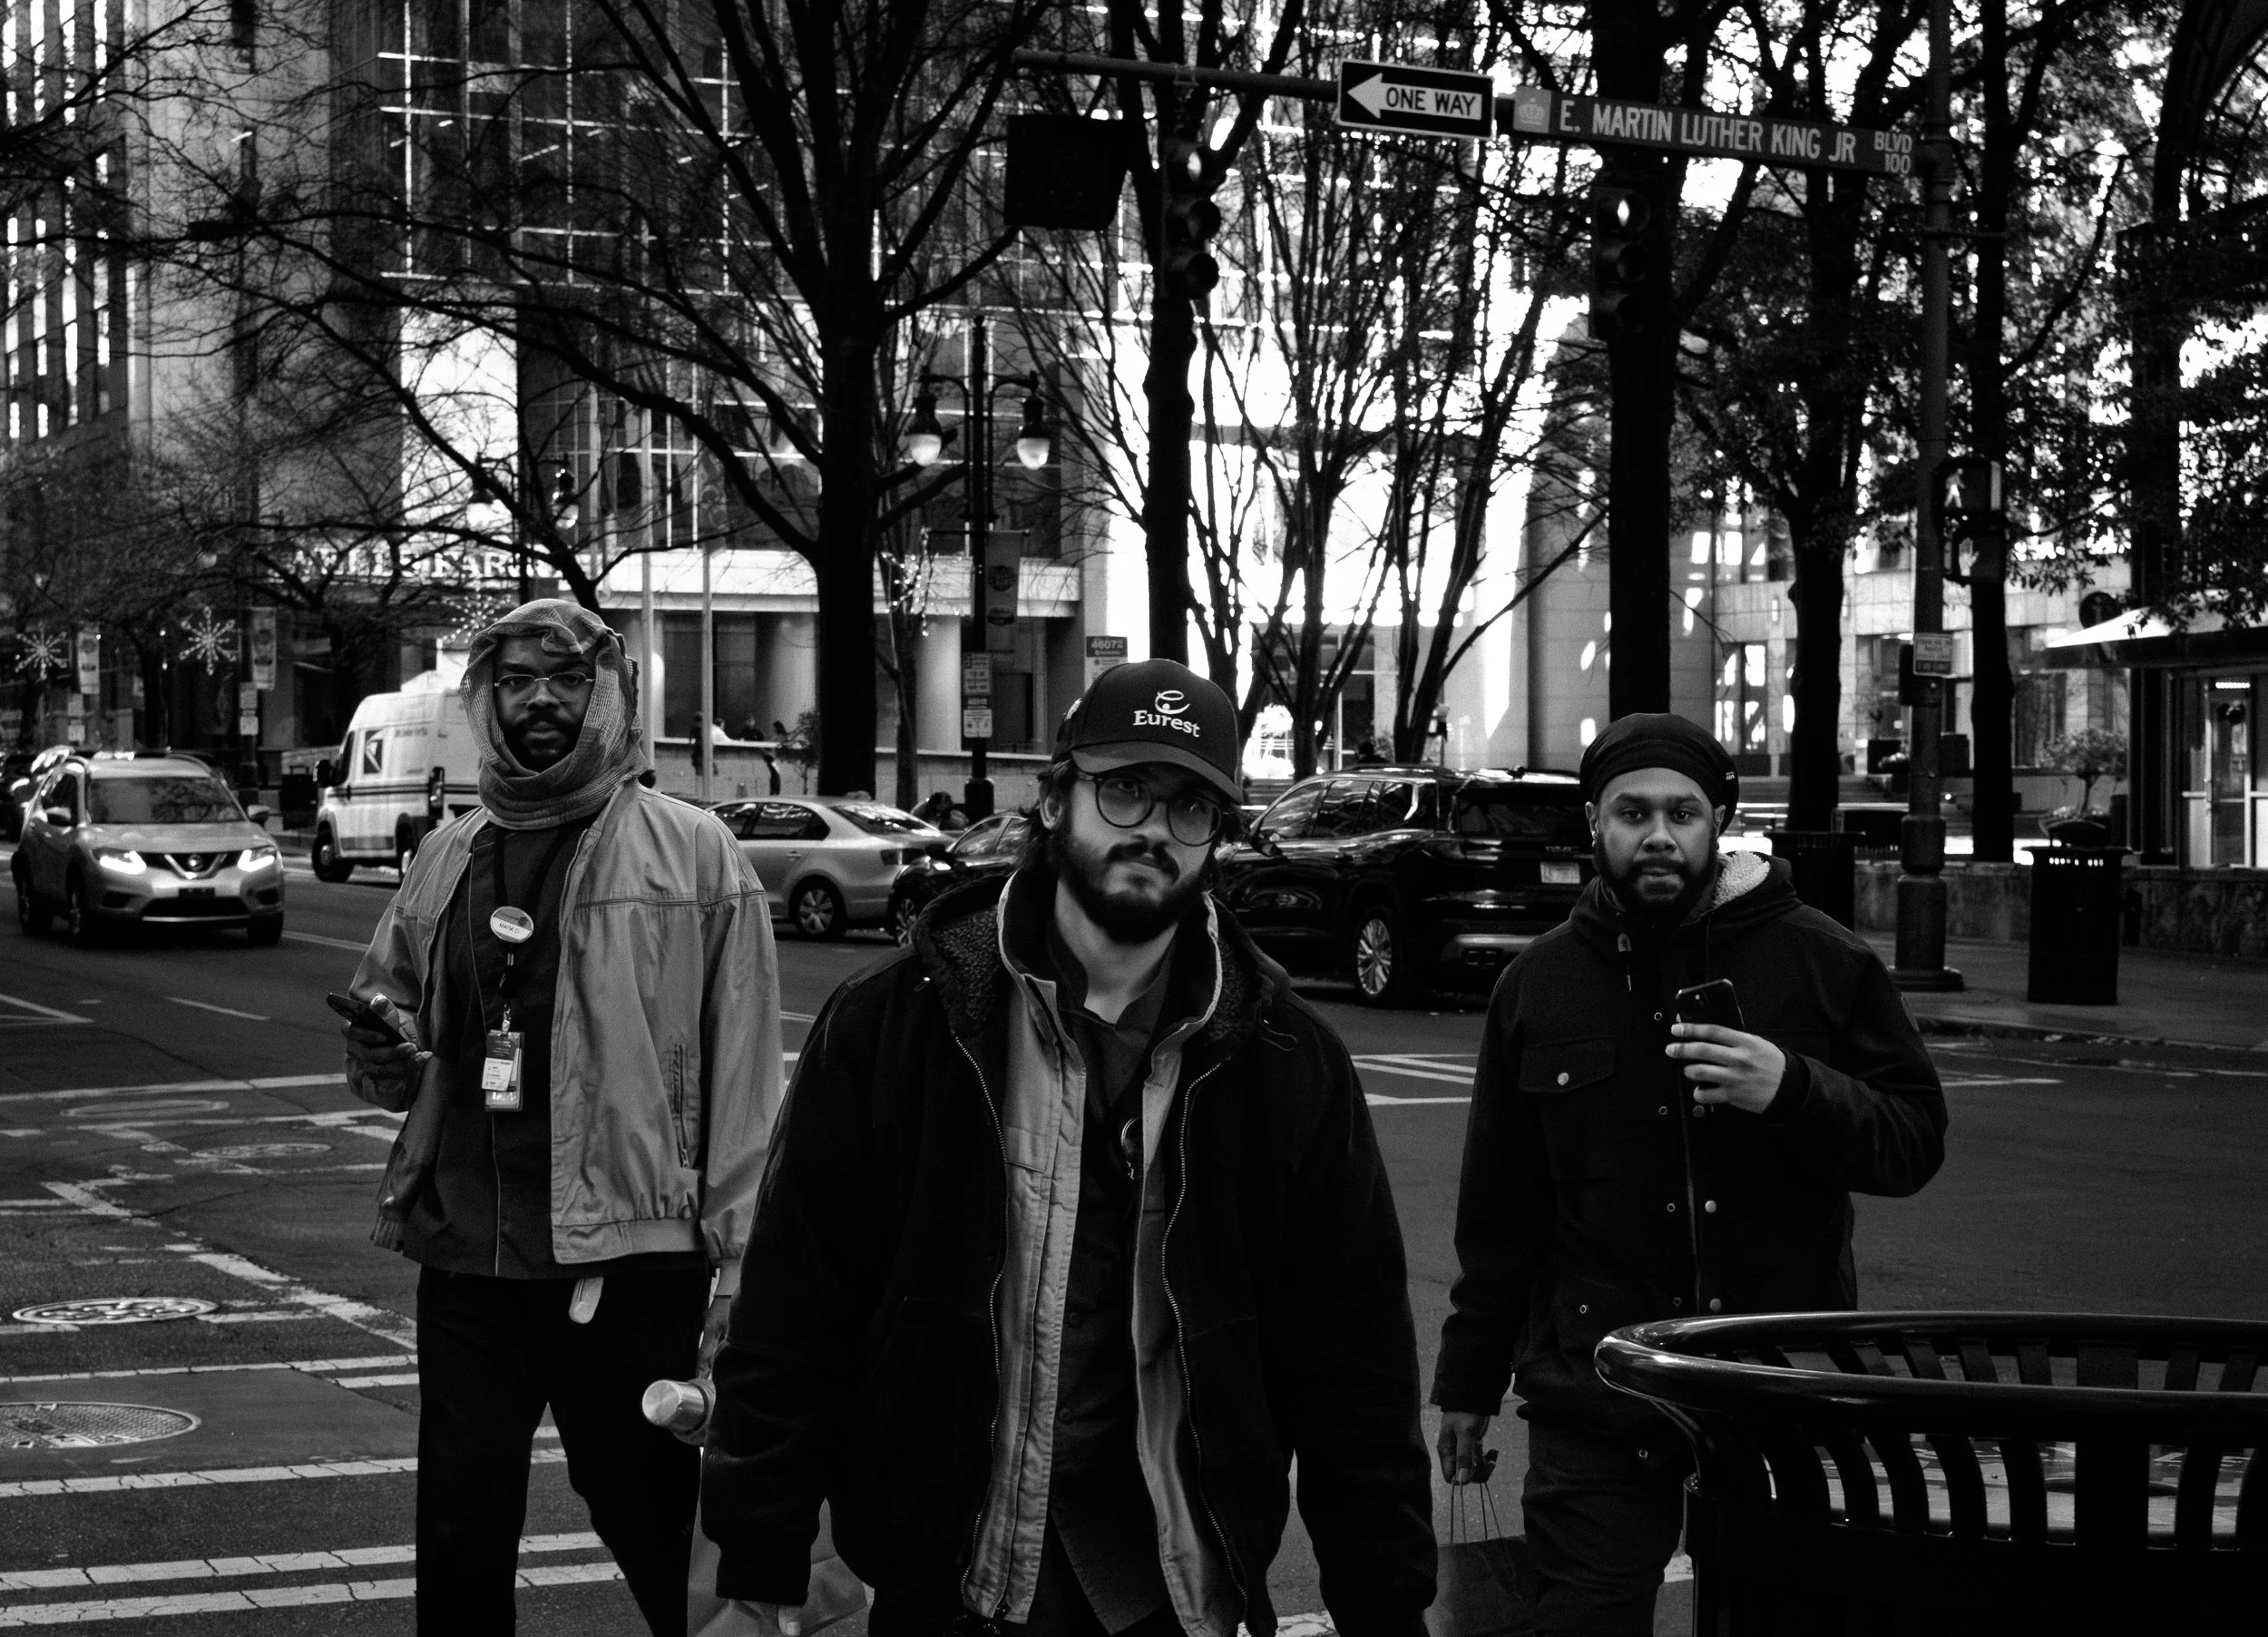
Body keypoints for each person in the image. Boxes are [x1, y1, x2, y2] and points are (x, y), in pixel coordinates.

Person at [702, 658, 1435, 1637]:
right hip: (950, 1575)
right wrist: (759, 1564)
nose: (1152, 830)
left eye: (1189, 807)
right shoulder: (903, 1023)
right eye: (1123, 788)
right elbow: (796, 1307)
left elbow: (1355, 1367)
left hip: (1174, 1589)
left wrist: (1382, 1604)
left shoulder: (1284, 1059)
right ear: (1054, 797)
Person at [1431, 712, 1947, 1635]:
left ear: (1721, 819)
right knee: (1580, 1620)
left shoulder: (1821, 958)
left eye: (1682, 813)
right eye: (1632, 813)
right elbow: (1500, 1208)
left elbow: (1912, 1142)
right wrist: (1467, 1385)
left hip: (1778, 1388)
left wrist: (1791, 1087)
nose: (1658, 835)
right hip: (1596, 1388)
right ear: (1594, 822)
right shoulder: (1539, 984)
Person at [339, 599, 784, 1636]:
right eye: (515, 679)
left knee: (654, 1524)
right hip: (466, 1263)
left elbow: (747, 1090)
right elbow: (396, 1030)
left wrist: (742, 1270)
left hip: (628, 1270)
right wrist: (387, 1051)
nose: (540, 700)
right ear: (483, 697)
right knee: (459, 1540)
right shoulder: (446, 855)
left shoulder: (696, 855)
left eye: (567, 679)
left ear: (610, 694)